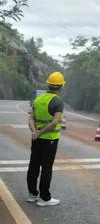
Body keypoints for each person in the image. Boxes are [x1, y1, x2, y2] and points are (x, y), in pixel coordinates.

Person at [27, 71, 65, 206]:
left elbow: (31, 118)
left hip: (36, 139)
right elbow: (55, 122)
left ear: (48, 85)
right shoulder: (58, 101)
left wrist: (34, 132)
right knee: (46, 167)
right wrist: (41, 132)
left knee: (34, 165)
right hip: (50, 140)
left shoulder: (38, 100)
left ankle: (32, 194)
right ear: (60, 86)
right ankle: (45, 198)